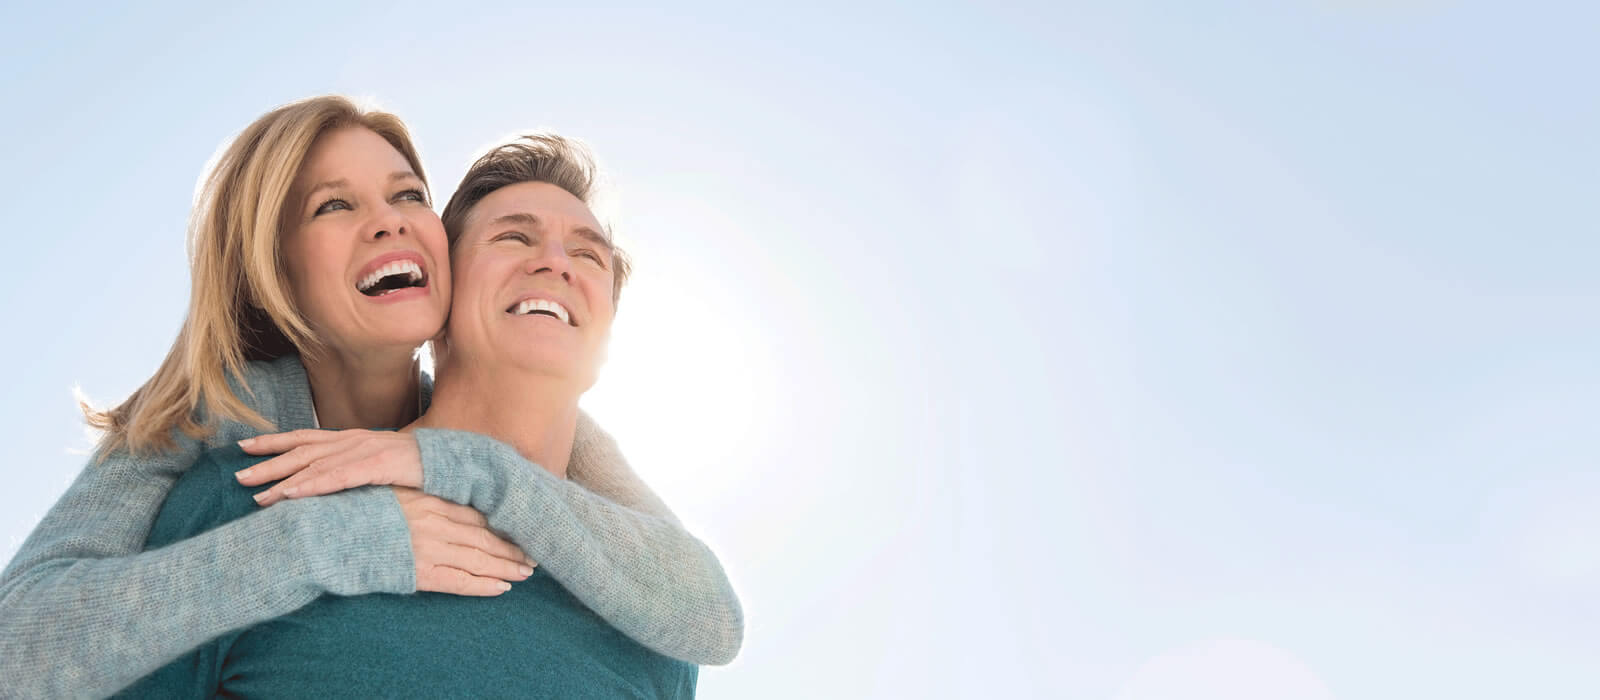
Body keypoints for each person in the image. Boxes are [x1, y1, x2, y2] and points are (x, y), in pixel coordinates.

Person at [0, 97, 741, 699]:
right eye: (332, 206)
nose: (554, 264)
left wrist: (461, 462)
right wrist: (331, 540)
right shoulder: (238, 471)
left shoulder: (638, 593)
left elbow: (710, 613)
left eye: (409, 195)